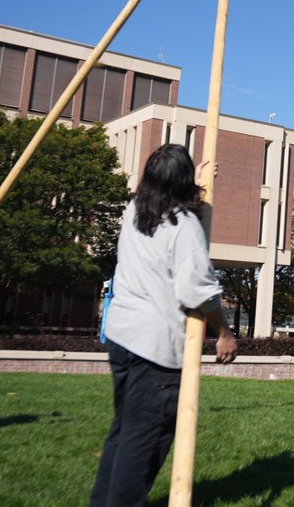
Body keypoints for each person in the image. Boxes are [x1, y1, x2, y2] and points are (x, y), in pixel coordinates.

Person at [91, 144, 238, 506]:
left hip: (122, 339)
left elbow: (179, 213)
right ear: (184, 181)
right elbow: (197, 292)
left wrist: (200, 188)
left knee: (124, 430)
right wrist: (224, 332)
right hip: (155, 349)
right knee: (143, 442)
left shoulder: (134, 210)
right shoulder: (183, 226)